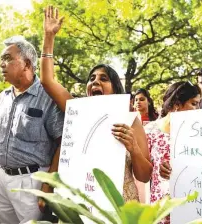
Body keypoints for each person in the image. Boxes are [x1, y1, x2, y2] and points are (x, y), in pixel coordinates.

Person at [40, 6, 152, 202]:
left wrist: (133, 147)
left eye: (104, 78)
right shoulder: (78, 111)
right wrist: (49, 37)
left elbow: (144, 176)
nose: (95, 82)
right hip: (80, 203)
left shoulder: (131, 120)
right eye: (91, 78)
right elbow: (47, 81)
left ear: (116, 89)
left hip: (118, 206)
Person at [0, 35, 64, 223]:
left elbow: (63, 143)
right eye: (1, 59)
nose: (1, 64)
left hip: (32, 181)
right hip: (1, 177)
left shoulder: (47, 96)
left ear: (27, 64)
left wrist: (49, 183)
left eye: (7, 58)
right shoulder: (2, 97)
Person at [145, 81, 201, 224]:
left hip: (191, 204)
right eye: (194, 104)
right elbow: (143, 171)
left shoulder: (198, 131)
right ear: (177, 103)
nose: (198, 109)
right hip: (160, 208)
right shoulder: (150, 130)